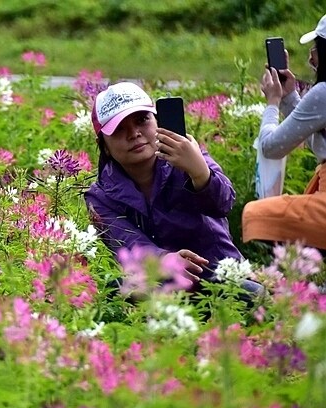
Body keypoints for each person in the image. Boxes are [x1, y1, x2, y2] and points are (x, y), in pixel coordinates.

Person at [84, 81, 259, 294]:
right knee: (112, 291)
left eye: (142, 120)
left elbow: (224, 204)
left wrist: (200, 173)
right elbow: (126, 243)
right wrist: (164, 260)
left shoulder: (189, 156)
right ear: (104, 146)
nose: (134, 133)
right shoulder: (100, 196)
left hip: (218, 274)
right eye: (119, 129)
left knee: (253, 294)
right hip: (160, 283)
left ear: (157, 121)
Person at [242, 13, 326, 252]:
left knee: (256, 215)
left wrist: (273, 101)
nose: (312, 54)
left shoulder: (323, 92)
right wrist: (290, 98)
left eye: (317, 47)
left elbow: (271, 147)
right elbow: (317, 140)